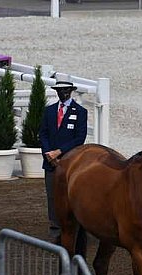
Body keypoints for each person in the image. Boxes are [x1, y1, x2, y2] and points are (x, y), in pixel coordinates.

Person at [39, 81, 87, 243]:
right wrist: (48, 154)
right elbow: (43, 134)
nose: (63, 93)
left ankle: (74, 227)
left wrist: (59, 153)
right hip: (50, 162)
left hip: (70, 162)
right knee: (52, 197)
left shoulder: (80, 112)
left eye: (66, 90)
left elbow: (80, 138)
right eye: (60, 91)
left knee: (72, 195)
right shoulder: (49, 111)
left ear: (71, 91)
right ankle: (55, 231)